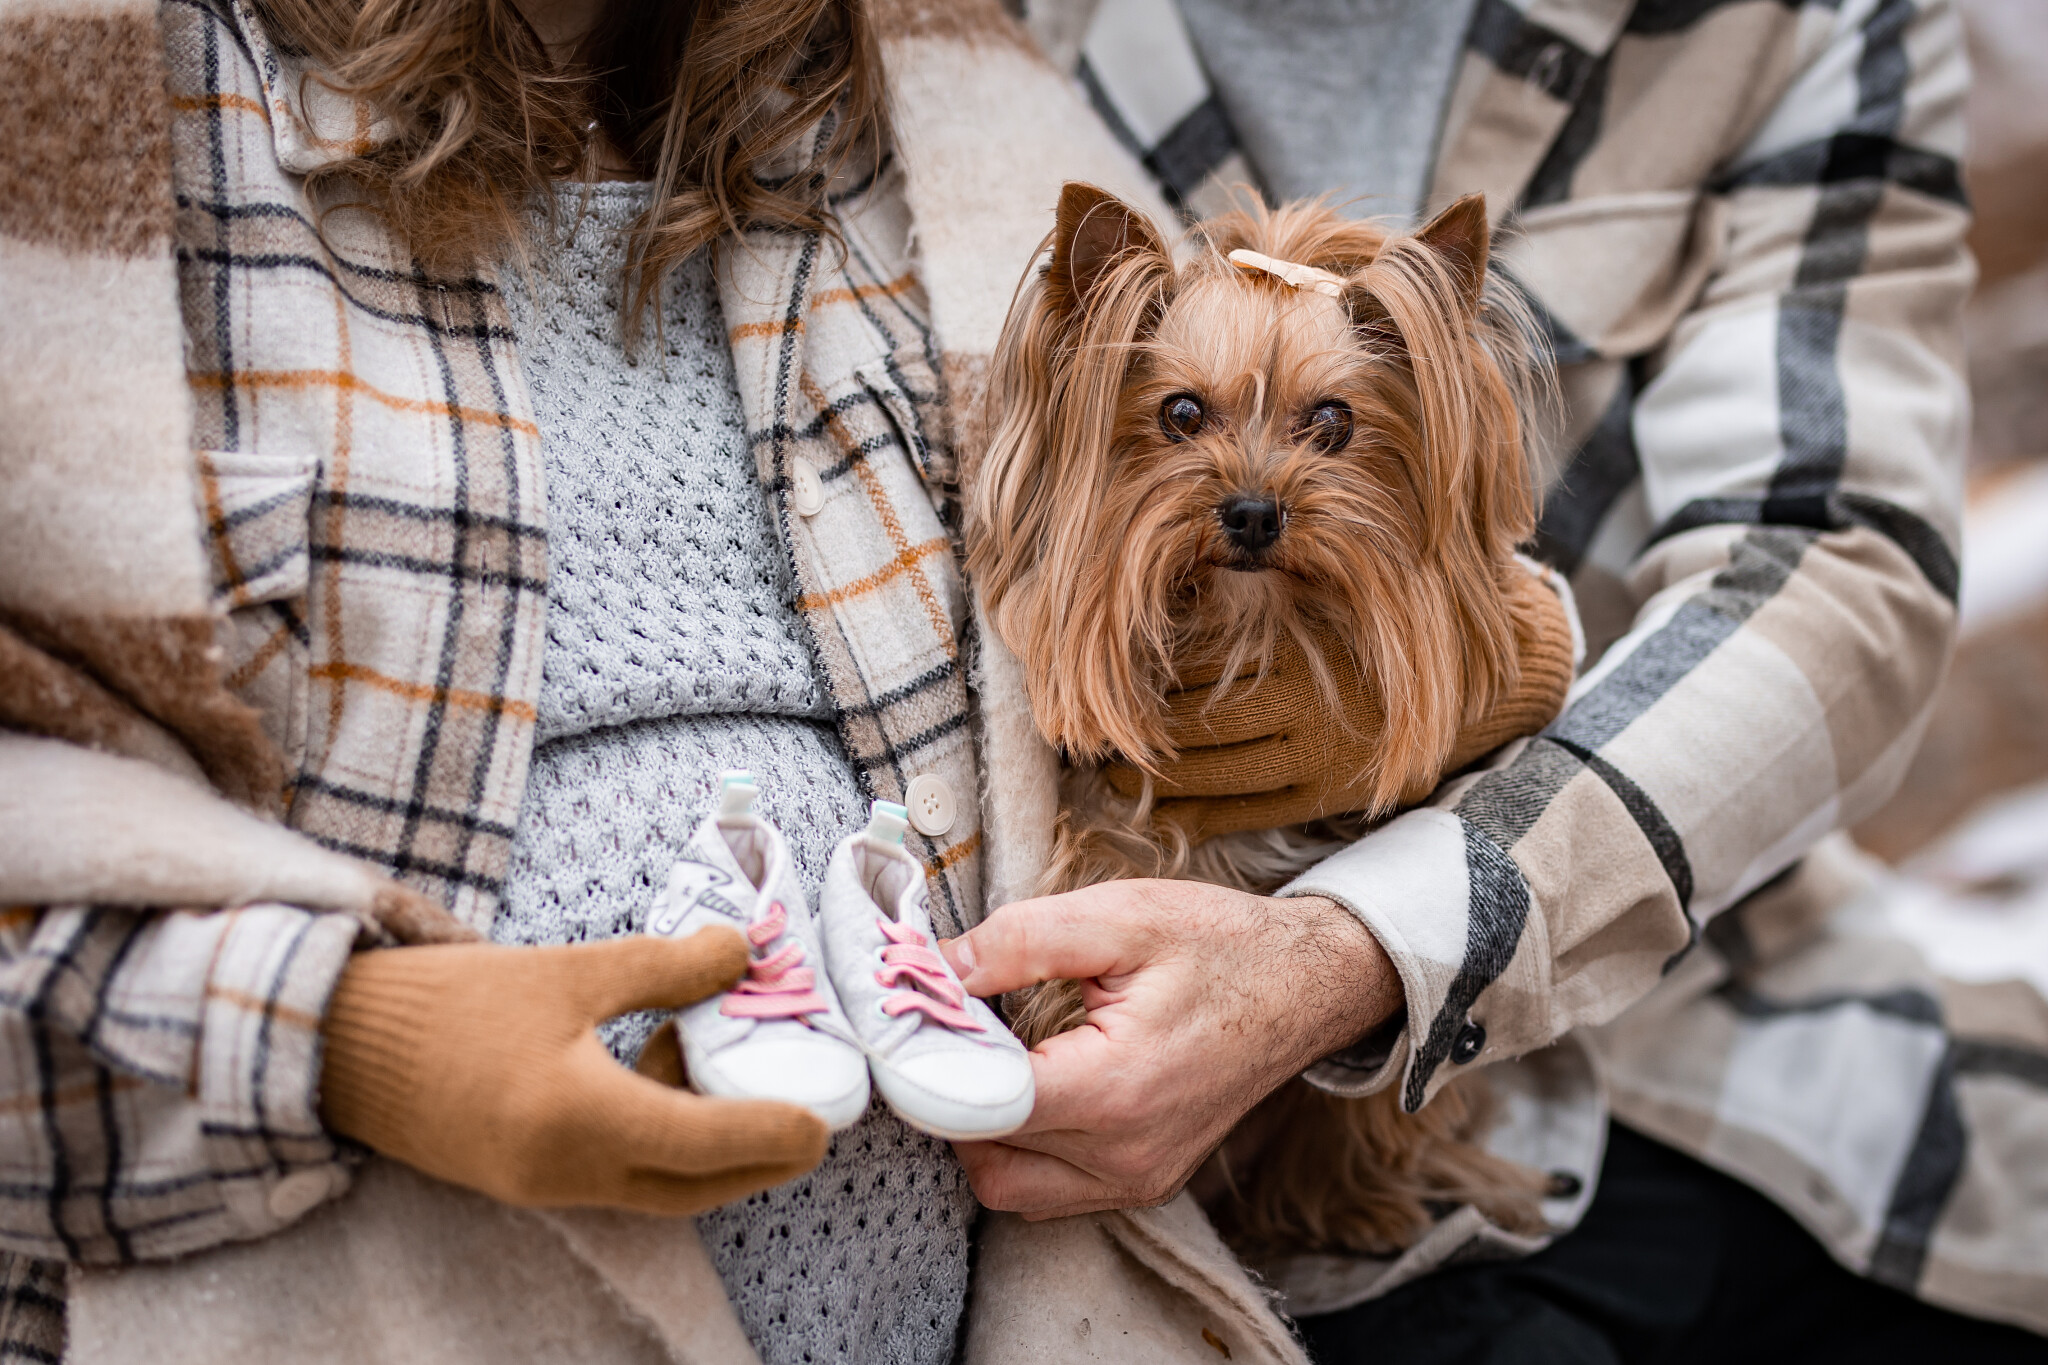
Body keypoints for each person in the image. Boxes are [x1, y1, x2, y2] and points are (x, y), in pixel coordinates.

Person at [0, 2, 2042, 1365]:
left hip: (1616, 1022)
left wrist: (1424, 800)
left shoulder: (1803, 32)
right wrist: (336, 1025)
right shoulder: (911, 45)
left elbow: (1832, 566)